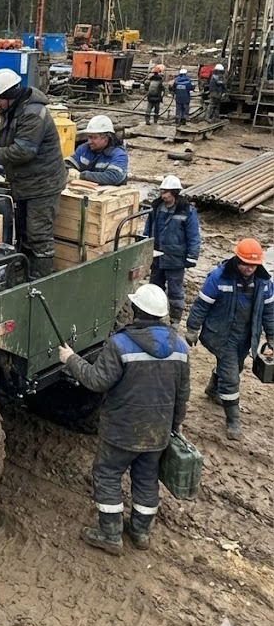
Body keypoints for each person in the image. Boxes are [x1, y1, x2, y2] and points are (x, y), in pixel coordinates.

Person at [58, 283, 190, 555]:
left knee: (106, 475)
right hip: (158, 430)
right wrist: (173, 426)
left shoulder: (120, 344)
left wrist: (70, 359)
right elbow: (182, 395)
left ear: (136, 310)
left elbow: (96, 381)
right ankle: (141, 533)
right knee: (146, 478)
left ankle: (110, 535)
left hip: (122, 429)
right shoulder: (180, 347)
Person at [0, 69, 67, 279]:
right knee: (23, 231)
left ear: (9, 96)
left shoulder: (33, 114)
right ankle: (24, 273)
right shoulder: (13, 111)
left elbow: (24, 151)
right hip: (25, 184)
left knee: (39, 235)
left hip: (43, 184)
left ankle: (39, 281)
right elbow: (2, 136)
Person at [185, 238, 274, 440]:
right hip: (222, 335)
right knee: (231, 376)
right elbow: (201, 304)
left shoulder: (265, 283)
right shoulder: (218, 277)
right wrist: (192, 327)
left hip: (246, 336)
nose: (248, 268)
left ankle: (213, 389)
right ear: (236, 259)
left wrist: (272, 336)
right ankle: (233, 420)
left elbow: (269, 312)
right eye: (244, 263)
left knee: (236, 367)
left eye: (253, 265)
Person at [144, 175, 201, 327]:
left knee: (175, 291)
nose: (163, 196)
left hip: (175, 259)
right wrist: (144, 246)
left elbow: (193, 235)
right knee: (155, 288)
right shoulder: (156, 207)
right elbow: (148, 228)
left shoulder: (187, 211)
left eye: (166, 192)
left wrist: (192, 256)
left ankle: (175, 321)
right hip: (156, 256)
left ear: (175, 192)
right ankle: (153, 318)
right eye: (162, 192)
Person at [66, 114, 128, 185]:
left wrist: (83, 176)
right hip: (87, 190)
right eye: (89, 137)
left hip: (111, 193)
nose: (89, 141)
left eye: (94, 137)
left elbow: (113, 177)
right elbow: (68, 164)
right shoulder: (84, 148)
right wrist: (69, 170)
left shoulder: (119, 155)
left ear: (106, 137)